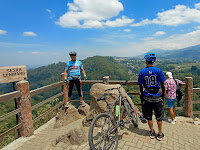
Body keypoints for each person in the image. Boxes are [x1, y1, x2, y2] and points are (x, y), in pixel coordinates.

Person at [138, 52, 165, 141]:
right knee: (159, 116)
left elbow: (140, 86)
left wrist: (142, 96)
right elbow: (162, 84)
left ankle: (152, 131)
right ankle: (160, 133)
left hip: (147, 96)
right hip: (157, 96)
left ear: (146, 61)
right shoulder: (158, 70)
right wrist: (163, 94)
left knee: (149, 116)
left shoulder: (142, 72)